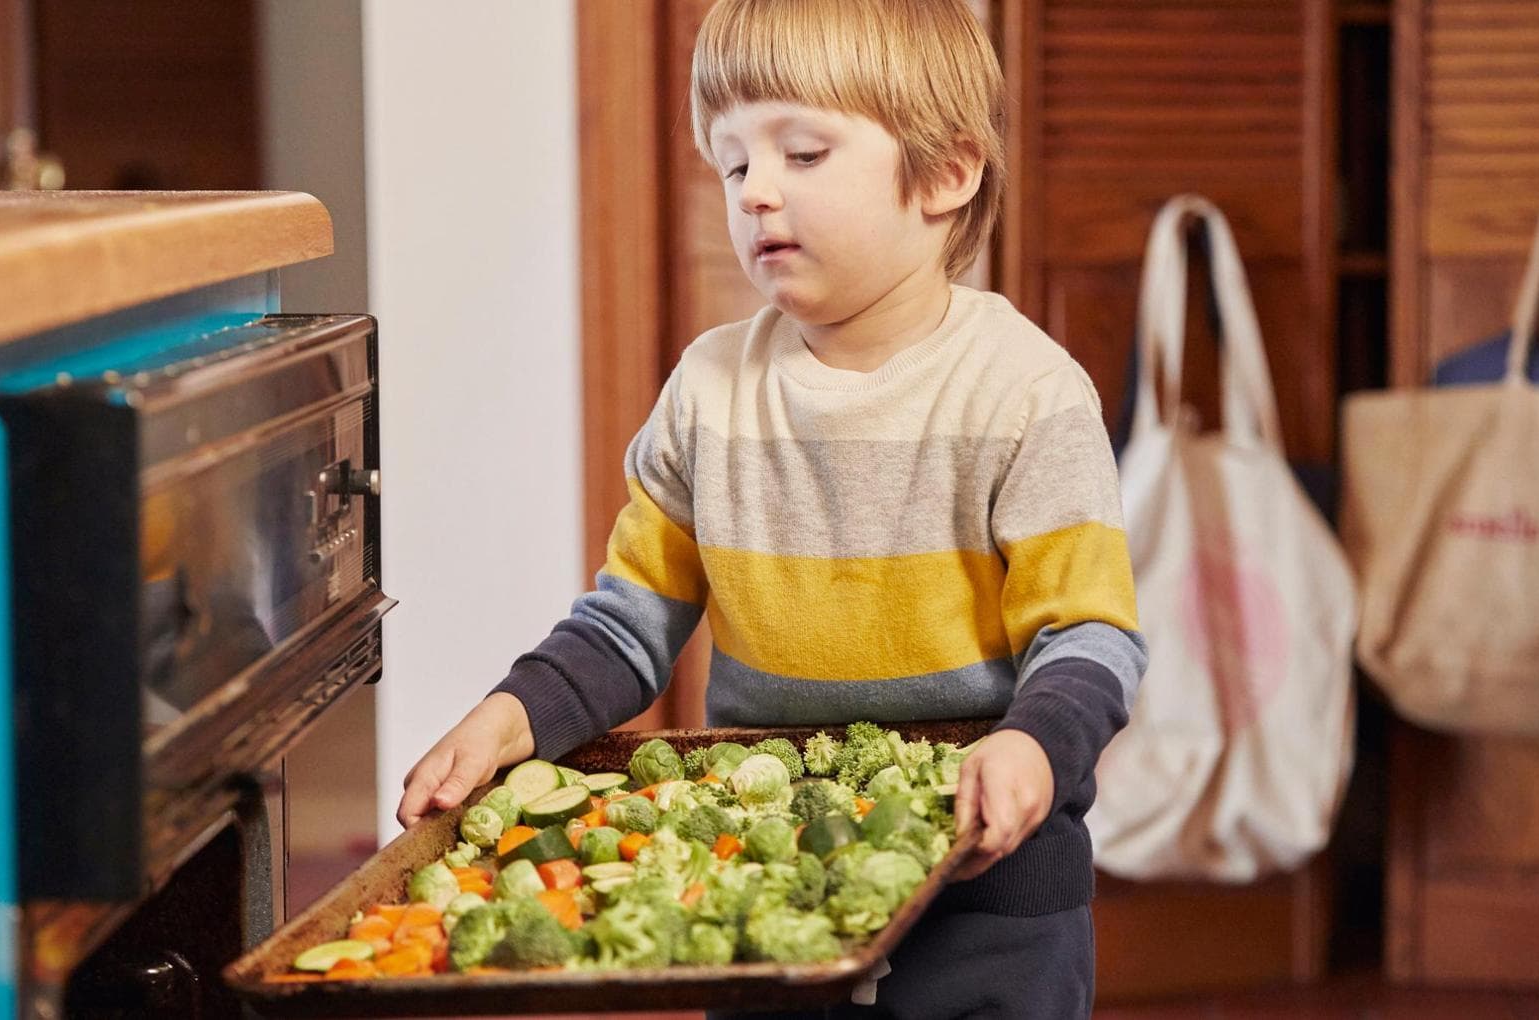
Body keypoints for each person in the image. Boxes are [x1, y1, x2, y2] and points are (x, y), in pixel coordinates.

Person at [398, 1, 1146, 1015]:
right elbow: (626, 625)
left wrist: (1033, 746)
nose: (755, 193)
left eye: (801, 152)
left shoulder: (1026, 392)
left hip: (990, 893)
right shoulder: (708, 390)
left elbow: (1089, 635)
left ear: (946, 173)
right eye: (732, 162)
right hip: (764, 875)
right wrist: (512, 713)